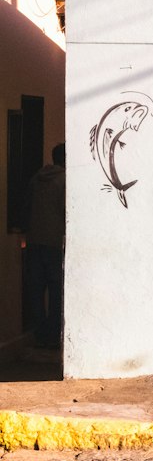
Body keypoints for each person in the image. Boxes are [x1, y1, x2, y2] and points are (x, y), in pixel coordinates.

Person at [24, 143, 65, 352]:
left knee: (37, 290)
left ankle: (40, 334)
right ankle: (53, 335)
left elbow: (27, 206)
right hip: (54, 242)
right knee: (57, 290)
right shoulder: (64, 180)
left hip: (34, 241)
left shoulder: (35, 179)